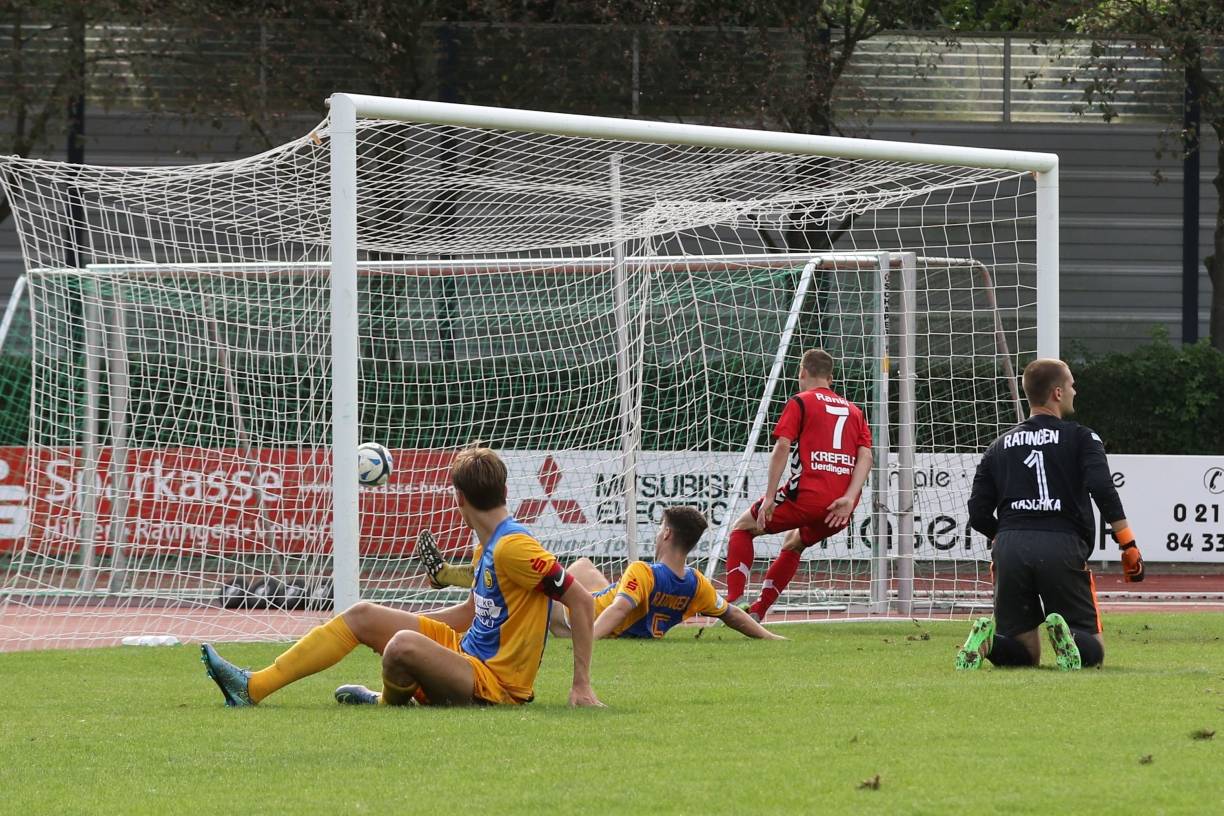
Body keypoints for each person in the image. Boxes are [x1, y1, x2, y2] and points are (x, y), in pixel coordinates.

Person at [201, 446, 602, 708]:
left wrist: (581, 685)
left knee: (402, 646)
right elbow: (471, 613)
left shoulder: (515, 546)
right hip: (466, 654)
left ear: (459, 498)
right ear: (504, 491)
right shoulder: (490, 544)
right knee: (364, 615)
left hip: (495, 684)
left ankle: (384, 701)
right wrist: (405, 621)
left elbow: (581, 600)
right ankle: (252, 687)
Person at [957, 358, 1145, 672]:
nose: (1075, 391)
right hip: (1061, 545)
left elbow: (977, 512)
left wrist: (1002, 536)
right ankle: (1071, 639)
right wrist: (1128, 544)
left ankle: (989, 642)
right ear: (1057, 392)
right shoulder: (1082, 437)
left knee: (1024, 653)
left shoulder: (998, 446)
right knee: (1093, 649)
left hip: (1010, 546)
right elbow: (1102, 487)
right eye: (1071, 385)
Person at [415, 506, 783, 641]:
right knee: (582, 566)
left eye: (660, 528)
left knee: (513, 577)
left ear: (668, 535)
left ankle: (447, 576)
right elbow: (732, 614)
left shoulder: (643, 572)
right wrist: (769, 637)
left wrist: (586, 638)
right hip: (608, 604)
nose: (657, 533)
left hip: (577, 614)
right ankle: (451, 575)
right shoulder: (696, 583)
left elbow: (618, 609)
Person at [723, 348, 873, 620]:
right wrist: (850, 498)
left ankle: (735, 600)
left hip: (807, 494)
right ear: (831, 378)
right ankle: (758, 612)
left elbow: (782, 446)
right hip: (841, 507)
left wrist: (770, 496)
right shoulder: (855, 411)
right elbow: (866, 455)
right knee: (794, 543)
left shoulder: (801, 401)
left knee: (742, 529)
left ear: (802, 373)